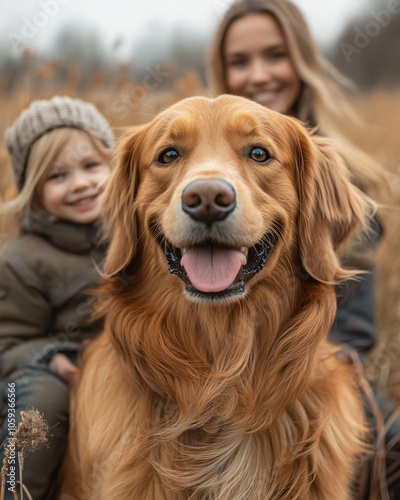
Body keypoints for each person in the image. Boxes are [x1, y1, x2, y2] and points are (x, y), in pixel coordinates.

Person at [207, 0, 398, 497]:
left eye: (275, 55)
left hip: (317, 370)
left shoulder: (342, 177)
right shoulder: (196, 167)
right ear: (221, 70)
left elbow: (353, 334)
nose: (258, 75)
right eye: (240, 61)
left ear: (302, 59)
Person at [0, 96, 114, 499]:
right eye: (57, 176)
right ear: (33, 189)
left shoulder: (133, 236)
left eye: (90, 166)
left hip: (122, 360)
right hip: (48, 369)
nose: (80, 183)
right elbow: (8, 344)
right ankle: (17, 489)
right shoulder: (22, 259)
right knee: (35, 409)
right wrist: (52, 357)